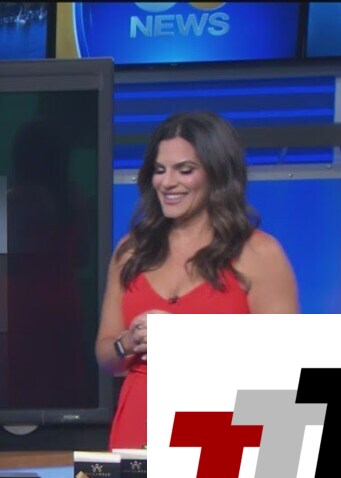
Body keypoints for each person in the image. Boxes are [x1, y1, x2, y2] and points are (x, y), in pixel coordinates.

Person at [95, 111, 299, 450]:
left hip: (220, 432)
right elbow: (106, 354)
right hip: (136, 431)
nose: (167, 182)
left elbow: (284, 360)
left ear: (217, 174)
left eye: (184, 170)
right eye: (160, 170)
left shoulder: (259, 254)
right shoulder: (131, 251)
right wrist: (128, 342)